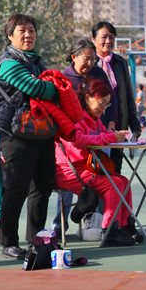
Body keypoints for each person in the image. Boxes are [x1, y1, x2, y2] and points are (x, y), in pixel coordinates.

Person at [0, 14, 59, 260]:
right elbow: (38, 88)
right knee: (16, 188)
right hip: (15, 134)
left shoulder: (37, 62)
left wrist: (53, 87)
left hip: (41, 132)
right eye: (22, 30)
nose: (28, 35)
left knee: (42, 188)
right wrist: (56, 87)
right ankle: (8, 241)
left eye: (31, 30)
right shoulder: (8, 63)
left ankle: (36, 239)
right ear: (10, 35)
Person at [54, 77, 140, 246]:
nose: (104, 108)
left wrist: (118, 137)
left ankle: (124, 226)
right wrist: (109, 136)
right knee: (112, 184)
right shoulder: (76, 117)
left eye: (107, 104)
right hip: (70, 171)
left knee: (123, 181)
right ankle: (110, 230)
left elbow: (102, 136)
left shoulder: (95, 119)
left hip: (86, 169)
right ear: (88, 98)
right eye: (101, 102)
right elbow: (78, 140)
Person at [53, 37, 119, 237]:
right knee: (69, 183)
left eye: (93, 59)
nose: (90, 63)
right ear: (73, 57)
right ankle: (59, 225)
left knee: (100, 175)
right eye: (86, 58)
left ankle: (94, 220)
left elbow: (111, 98)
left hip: (95, 132)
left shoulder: (97, 73)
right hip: (70, 141)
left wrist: (111, 124)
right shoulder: (63, 79)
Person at [92, 21, 142, 172]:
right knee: (95, 171)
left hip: (118, 126)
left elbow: (127, 95)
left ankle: (114, 196)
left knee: (115, 169)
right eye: (104, 37)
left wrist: (135, 125)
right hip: (96, 127)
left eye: (111, 37)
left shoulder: (120, 63)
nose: (108, 41)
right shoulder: (89, 61)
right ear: (93, 39)